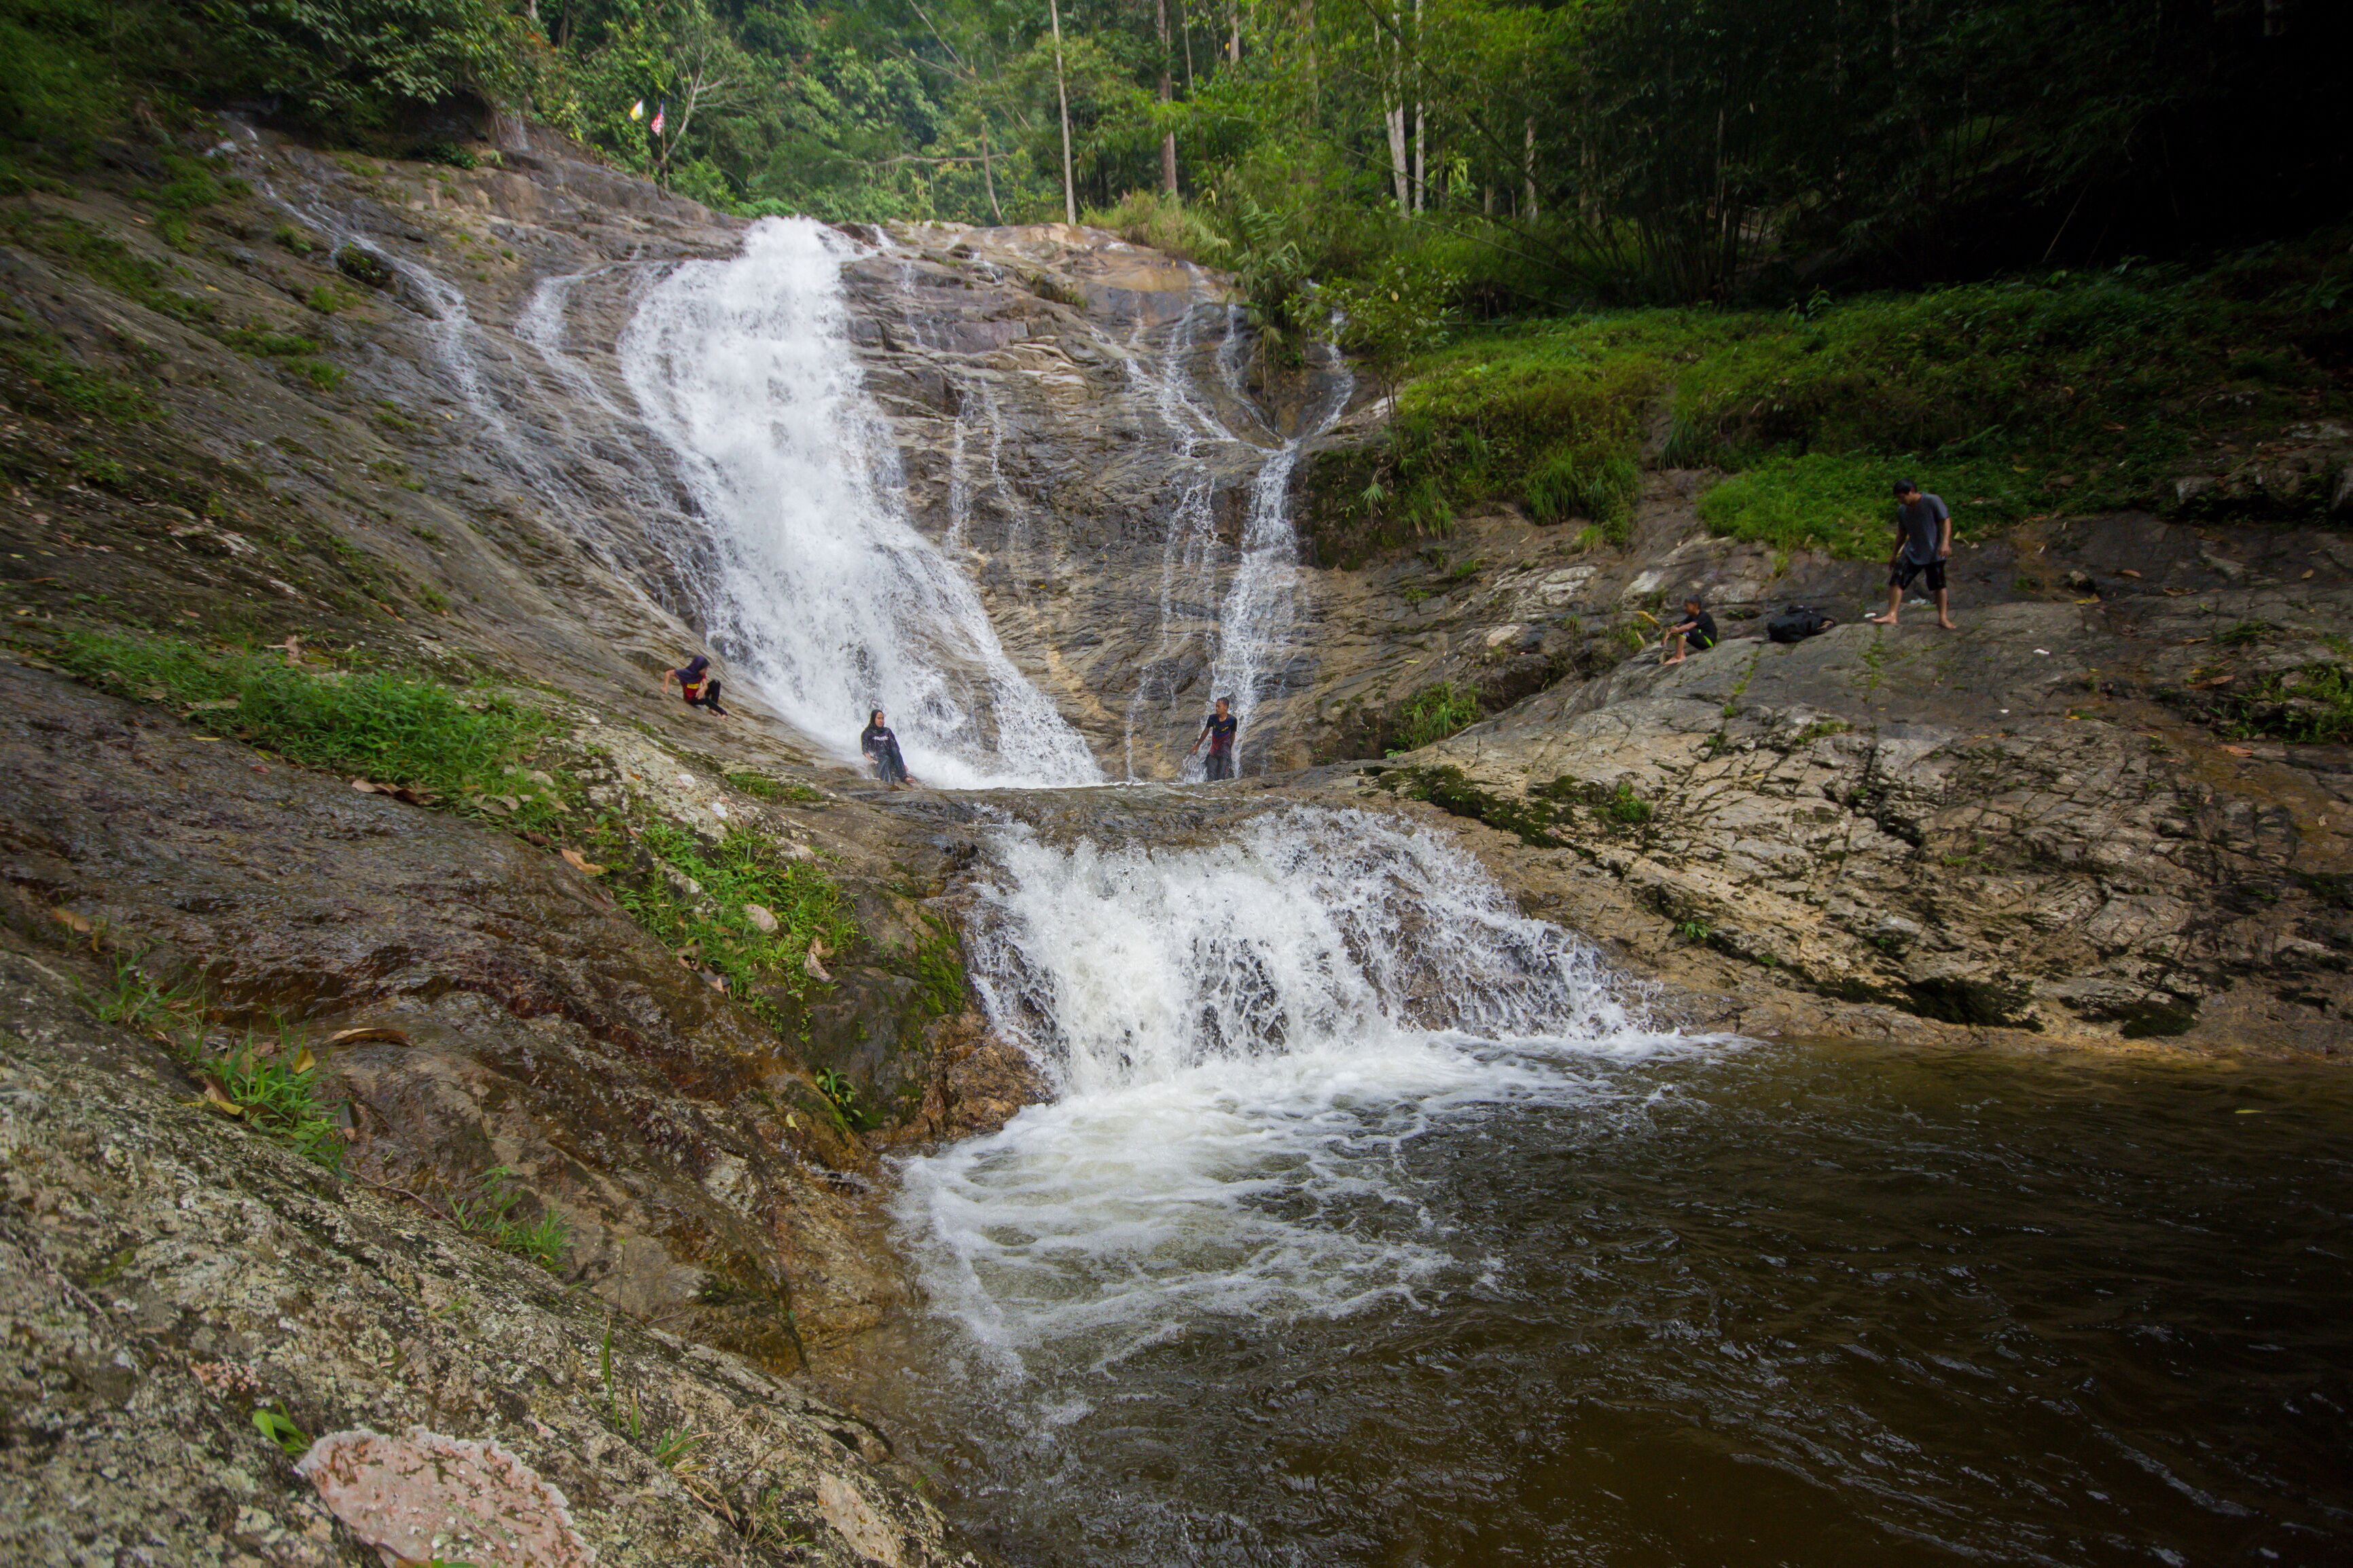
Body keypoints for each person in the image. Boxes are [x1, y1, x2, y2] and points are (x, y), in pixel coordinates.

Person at [1869, 479, 1958, 630]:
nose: (1900, 501)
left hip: (1933, 550)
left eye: (1902, 497)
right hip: (1912, 551)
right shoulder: (1903, 510)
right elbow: (1902, 533)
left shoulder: (1932, 501)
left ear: (1911, 492)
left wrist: (1945, 543)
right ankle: (1892, 615)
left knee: (1939, 584)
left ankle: (1943, 617)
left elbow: (1945, 521)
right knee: (1897, 579)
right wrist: (1894, 554)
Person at [1189, 697, 1239, 781]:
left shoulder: (1232, 720)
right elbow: (1205, 732)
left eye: (1219, 707)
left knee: (1221, 777)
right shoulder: (1212, 718)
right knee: (1211, 776)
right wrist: (1197, 746)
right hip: (1214, 752)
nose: (1216, 708)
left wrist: (1230, 749)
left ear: (1225, 707)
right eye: (1216, 706)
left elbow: (1233, 735)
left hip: (1225, 752)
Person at [861, 709, 914, 786]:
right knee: (885, 757)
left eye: (882, 718)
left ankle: (904, 777)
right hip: (878, 759)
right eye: (879, 718)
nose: (881, 721)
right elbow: (865, 749)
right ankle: (887, 783)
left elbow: (895, 747)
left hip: (890, 758)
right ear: (873, 719)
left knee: (894, 750)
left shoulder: (887, 731)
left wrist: (901, 764)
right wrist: (870, 760)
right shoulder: (867, 733)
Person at [664, 653, 728, 714]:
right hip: (690, 699)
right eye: (705, 669)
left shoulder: (701, 674)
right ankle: (722, 712)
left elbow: (705, 686)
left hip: (698, 693)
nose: (706, 671)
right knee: (704, 698)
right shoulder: (685, 673)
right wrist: (665, 687)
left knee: (716, 683)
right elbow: (668, 673)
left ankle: (712, 709)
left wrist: (703, 688)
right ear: (698, 668)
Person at [1662, 596, 1718, 665]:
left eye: (1686, 606)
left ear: (1695, 606)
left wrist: (1677, 630)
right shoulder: (1692, 616)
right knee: (1682, 630)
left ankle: (1678, 657)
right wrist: (1668, 634)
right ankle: (1681, 655)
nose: (1685, 608)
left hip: (1708, 642)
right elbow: (1677, 625)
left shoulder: (1704, 615)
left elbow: (1688, 627)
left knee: (1683, 630)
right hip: (1701, 640)